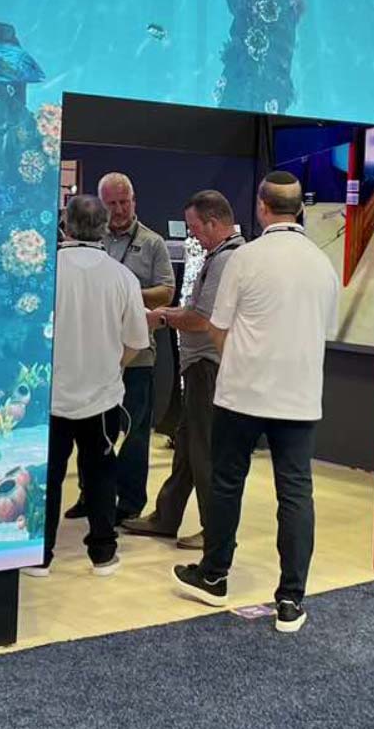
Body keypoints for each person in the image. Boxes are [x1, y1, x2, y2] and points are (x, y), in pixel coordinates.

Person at [168, 171, 338, 633]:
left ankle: (214, 575)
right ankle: (291, 600)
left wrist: (242, 362)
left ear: (262, 207)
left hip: (241, 393)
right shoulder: (322, 265)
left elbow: (217, 327)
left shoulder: (245, 258)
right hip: (299, 397)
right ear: (299, 208)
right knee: (296, 493)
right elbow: (325, 330)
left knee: (226, 483)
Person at [123, 190, 243, 549]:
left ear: (213, 222)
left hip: (207, 366)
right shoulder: (220, 256)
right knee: (188, 447)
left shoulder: (226, 260)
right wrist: (167, 315)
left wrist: (161, 317)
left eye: (195, 228)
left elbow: (201, 319)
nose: (192, 235)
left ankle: (215, 531)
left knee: (204, 450)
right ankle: (167, 515)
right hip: (199, 367)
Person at [39, 193, 150, 577]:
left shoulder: (47, 271)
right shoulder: (122, 277)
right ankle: (103, 553)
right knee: (101, 472)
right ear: (104, 227)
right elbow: (136, 341)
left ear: (65, 225)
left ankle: (41, 555)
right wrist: (111, 366)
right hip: (102, 396)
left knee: (49, 476)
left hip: (51, 395)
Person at [64, 173, 173, 524]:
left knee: (135, 431)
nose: (120, 209)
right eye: (112, 203)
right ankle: (90, 495)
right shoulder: (91, 240)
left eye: (124, 202)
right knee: (91, 431)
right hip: (94, 355)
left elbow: (167, 291)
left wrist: (123, 294)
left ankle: (129, 502)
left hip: (137, 354)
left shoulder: (152, 242)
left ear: (134, 200)